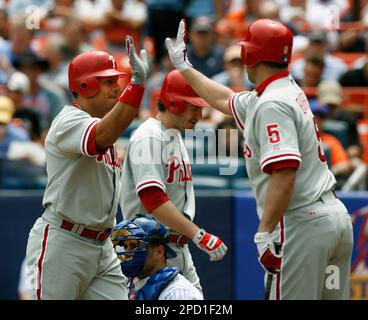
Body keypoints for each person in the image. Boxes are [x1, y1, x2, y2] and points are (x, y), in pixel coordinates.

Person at [165, 18, 354, 299]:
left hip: (302, 223)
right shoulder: (283, 90)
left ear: (250, 55)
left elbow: (285, 171)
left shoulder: (271, 103)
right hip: (333, 219)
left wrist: (265, 231)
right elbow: (225, 98)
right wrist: (185, 68)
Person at [25, 36, 149, 300]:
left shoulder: (104, 125)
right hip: (65, 240)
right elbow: (101, 136)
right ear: (85, 84)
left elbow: (108, 132)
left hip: (102, 246)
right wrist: (136, 87)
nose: (116, 88)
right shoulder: (68, 121)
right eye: (108, 82)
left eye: (117, 81)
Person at [119, 69, 227, 294]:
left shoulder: (173, 136)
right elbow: (153, 199)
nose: (199, 114)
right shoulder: (149, 135)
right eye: (194, 106)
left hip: (175, 247)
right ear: (174, 103)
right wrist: (199, 235)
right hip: (151, 253)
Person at [110, 215, 203, 300]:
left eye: (135, 246)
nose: (127, 252)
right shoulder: (124, 285)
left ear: (159, 252)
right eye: (126, 246)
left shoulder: (178, 292)